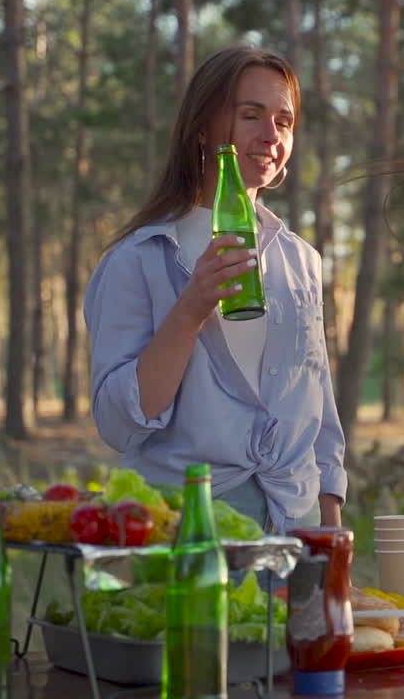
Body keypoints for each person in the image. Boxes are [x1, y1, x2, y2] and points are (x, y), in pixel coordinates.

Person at [84, 46, 345, 534]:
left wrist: (330, 527)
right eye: (251, 115)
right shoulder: (136, 260)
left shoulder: (300, 260)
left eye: (284, 121)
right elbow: (119, 425)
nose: (271, 135)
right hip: (186, 529)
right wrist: (190, 309)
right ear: (203, 126)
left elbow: (317, 406)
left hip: (296, 522)